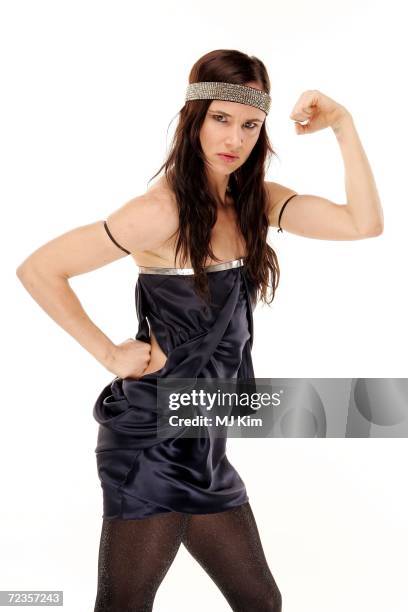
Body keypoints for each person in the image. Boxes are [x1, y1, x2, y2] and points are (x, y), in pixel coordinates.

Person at [16, 48, 383, 611]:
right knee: (125, 604)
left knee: (260, 602)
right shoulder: (158, 212)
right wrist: (109, 354)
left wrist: (344, 125)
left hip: (204, 436)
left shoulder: (255, 202)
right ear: (194, 118)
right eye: (220, 118)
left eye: (250, 125)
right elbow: (40, 269)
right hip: (152, 437)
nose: (233, 138)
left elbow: (363, 224)